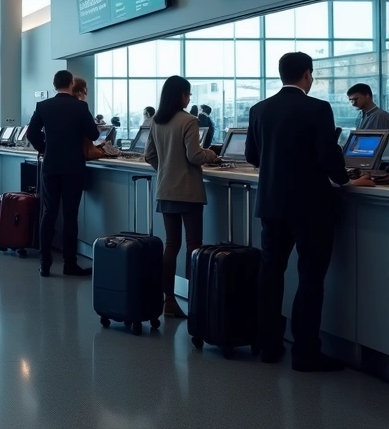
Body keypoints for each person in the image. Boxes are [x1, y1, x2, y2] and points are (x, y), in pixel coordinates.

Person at [247, 52, 374, 372]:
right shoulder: (318, 108)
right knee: (310, 278)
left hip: (271, 205)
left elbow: (252, 155)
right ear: (307, 74)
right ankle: (305, 353)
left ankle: (269, 345)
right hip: (310, 208)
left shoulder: (259, 109)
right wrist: (349, 180)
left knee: (271, 273)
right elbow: (329, 159)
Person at [143, 76, 218, 318]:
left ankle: (169, 301)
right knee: (193, 246)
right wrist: (211, 154)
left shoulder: (156, 121)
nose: (190, 98)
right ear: (181, 95)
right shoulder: (189, 120)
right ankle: (195, 299)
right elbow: (195, 156)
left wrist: (165, 170)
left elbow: (149, 156)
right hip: (189, 192)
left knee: (171, 245)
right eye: (188, 93)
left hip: (165, 190)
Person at [27, 70, 100, 278]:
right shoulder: (80, 106)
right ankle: (70, 264)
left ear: (54, 84)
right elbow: (94, 134)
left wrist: (44, 148)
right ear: (71, 84)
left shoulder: (43, 106)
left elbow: (31, 133)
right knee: (70, 216)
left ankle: (45, 263)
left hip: (50, 166)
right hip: (73, 168)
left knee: (48, 213)